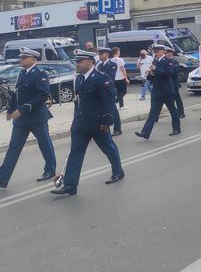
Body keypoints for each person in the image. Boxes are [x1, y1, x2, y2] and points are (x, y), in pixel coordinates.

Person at [51, 50, 124, 196]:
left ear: (90, 62)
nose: (77, 64)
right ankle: (70, 185)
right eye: (76, 61)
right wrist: (75, 120)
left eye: (80, 61)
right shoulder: (79, 78)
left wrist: (107, 120)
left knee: (108, 148)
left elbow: (108, 101)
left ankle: (118, 171)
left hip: (98, 123)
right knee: (75, 153)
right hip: (81, 123)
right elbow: (79, 102)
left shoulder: (101, 78)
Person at [0, 48, 56, 189]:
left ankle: (50, 170)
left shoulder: (40, 74)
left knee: (45, 144)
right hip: (21, 119)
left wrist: (22, 109)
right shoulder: (22, 73)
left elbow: (43, 95)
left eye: (24, 57)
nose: (21, 60)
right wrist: (11, 109)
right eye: (21, 58)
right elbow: (16, 93)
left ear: (33, 59)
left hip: (36, 117)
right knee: (13, 148)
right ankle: (2, 179)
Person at [135, 44, 181, 139]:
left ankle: (176, 128)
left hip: (166, 90)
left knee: (172, 110)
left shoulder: (169, 61)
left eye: (157, 51)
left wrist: (156, 69)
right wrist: (150, 74)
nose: (155, 53)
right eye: (154, 51)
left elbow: (168, 73)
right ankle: (145, 133)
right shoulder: (155, 61)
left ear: (163, 51)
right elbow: (152, 76)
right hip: (156, 91)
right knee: (153, 112)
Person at [96, 47, 122, 137]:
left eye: (101, 54)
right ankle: (106, 130)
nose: (99, 56)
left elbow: (110, 77)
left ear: (106, 54)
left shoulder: (112, 64)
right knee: (103, 111)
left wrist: (99, 78)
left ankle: (117, 129)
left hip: (108, 90)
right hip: (101, 91)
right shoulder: (99, 65)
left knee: (113, 111)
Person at [164, 47, 185, 119]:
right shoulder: (164, 62)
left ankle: (181, 113)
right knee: (168, 100)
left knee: (177, 98)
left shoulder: (174, 62)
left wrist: (167, 73)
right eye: (167, 53)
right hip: (166, 84)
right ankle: (174, 113)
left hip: (174, 83)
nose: (169, 54)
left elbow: (175, 72)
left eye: (170, 52)